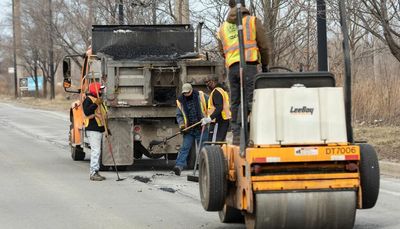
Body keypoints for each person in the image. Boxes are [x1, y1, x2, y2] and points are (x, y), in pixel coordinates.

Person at [217, 0, 272, 145]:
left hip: (232, 68)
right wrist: (265, 64)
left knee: (235, 101)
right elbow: (264, 46)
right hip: (248, 66)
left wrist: (231, 59)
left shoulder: (223, 28)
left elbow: (222, 50)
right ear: (244, 5)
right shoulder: (252, 21)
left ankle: (236, 135)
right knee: (248, 100)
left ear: (231, 6)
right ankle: (244, 133)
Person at [174, 83, 208, 176]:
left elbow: (211, 107)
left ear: (191, 90)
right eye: (184, 93)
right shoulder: (180, 101)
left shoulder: (201, 96)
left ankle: (205, 168)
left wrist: (208, 118)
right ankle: (178, 166)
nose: (186, 94)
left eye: (187, 92)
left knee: (203, 148)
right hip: (189, 129)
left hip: (202, 127)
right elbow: (179, 115)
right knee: (185, 147)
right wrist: (181, 125)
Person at [83, 82, 107, 181]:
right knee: (95, 151)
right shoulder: (89, 99)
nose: (101, 91)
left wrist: (106, 130)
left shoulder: (99, 100)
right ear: (95, 90)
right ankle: (93, 173)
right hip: (92, 129)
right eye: (100, 89)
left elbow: (102, 116)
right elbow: (87, 112)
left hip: (98, 129)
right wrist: (96, 103)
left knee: (97, 151)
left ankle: (96, 171)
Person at [201, 74, 231, 142]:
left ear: (213, 82)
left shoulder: (216, 92)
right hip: (223, 120)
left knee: (214, 142)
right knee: (219, 141)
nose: (207, 85)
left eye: (207, 83)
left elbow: (219, 107)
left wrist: (210, 118)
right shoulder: (222, 90)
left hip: (219, 121)